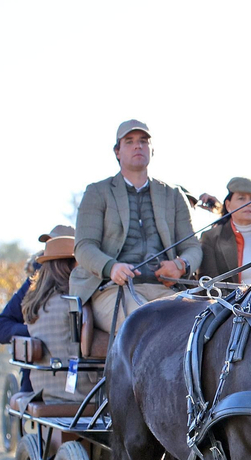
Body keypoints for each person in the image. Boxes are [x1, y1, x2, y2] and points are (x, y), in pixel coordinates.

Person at [70, 119, 202, 340]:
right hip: (112, 290)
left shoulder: (173, 195)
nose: (138, 146)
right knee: (145, 322)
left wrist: (181, 265)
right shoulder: (97, 192)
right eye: (129, 141)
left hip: (165, 290)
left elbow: (193, 247)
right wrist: (111, 267)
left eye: (143, 141)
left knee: (203, 324)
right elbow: (83, 247)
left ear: (152, 149)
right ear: (117, 151)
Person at [0, 224, 74, 393]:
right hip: (37, 376)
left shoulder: (85, 282)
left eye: (57, 245)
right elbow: (0, 327)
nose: (50, 249)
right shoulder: (34, 285)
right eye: (49, 245)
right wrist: (34, 333)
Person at [19, 232, 94, 402]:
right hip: (80, 394)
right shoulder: (74, 303)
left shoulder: (34, 304)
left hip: (45, 390)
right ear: (67, 265)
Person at [198, 177, 251, 287]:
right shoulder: (211, 238)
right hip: (230, 303)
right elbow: (208, 286)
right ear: (228, 205)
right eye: (241, 198)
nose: (249, 203)